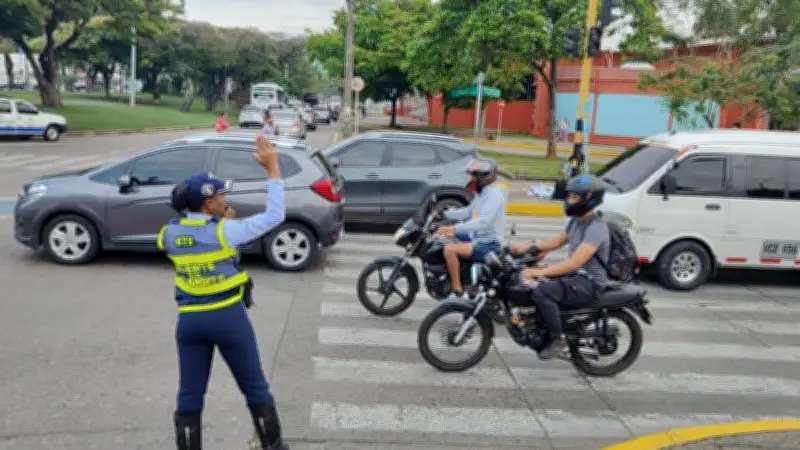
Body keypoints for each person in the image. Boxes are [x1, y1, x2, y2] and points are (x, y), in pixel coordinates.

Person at [158, 134, 289, 450]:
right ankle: (275, 447)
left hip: (189, 322)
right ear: (208, 202)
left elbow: (197, 240)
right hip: (228, 318)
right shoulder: (225, 231)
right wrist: (273, 169)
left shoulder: (169, 234)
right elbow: (275, 216)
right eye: (220, 195)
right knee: (255, 388)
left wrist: (219, 225)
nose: (224, 199)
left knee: (189, 394)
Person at [511, 174, 610, 360]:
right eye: (569, 196)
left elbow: (575, 262)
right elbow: (555, 242)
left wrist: (539, 272)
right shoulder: (575, 222)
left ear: (589, 199)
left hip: (589, 282)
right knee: (532, 285)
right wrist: (527, 247)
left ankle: (558, 339)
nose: (569, 201)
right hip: (576, 277)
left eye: (574, 197)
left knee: (543, 291)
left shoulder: (596, 228)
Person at [435, 159, 507, 300]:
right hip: (478, 236)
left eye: (474, 176)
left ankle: (457, 290)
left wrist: (454, 228)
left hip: (488, 243)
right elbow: (469, 211)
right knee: (442, 239)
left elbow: (483, 222)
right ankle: (459, 276)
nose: (471, 179)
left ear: (483, 177)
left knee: (449, 249)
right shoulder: (483, 193)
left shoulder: (494, 194)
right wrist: (444, 214)